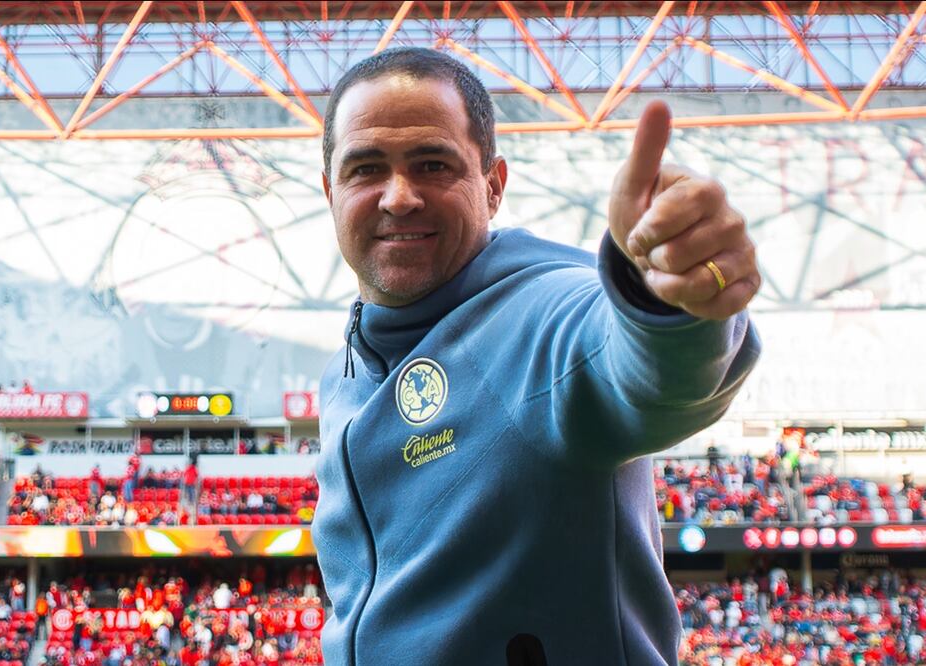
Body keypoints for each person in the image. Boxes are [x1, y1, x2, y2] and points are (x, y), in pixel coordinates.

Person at [311, 48, 760, 665]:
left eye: (433, 164)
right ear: (329, 188)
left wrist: (667, 302)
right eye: (366, 169)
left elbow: (644, 372)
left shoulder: (541, 313)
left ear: (492, 187)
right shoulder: (344, 374)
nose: (399, 197)